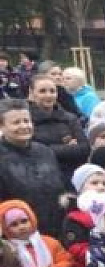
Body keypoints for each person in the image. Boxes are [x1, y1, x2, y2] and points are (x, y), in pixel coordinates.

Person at [0, 100, 68, 235]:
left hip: (58, 227)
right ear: (2, 126)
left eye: (26, 121)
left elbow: (60, 185)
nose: (24, 126)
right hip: (20, 232)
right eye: (16, 122)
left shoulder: (45, 151)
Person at [27, 73, 88, 184]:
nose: (49, 95)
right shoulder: (25, 120)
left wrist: (48, 148)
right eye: (42, 91)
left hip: (70, 178)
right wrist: (67, 148)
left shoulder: (69, 118)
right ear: (31, 93)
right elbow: (30, 151)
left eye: (52, 91)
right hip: (38, 178)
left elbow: (84, 149)